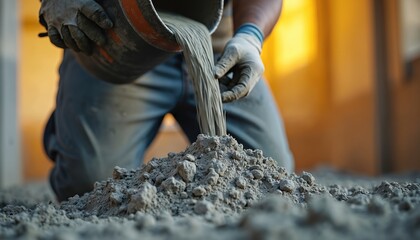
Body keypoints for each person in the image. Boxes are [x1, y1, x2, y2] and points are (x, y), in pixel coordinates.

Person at [39, 0, 294, 202]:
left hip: (217, 45)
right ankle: (67, 128)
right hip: (118, 39)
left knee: (270, 179)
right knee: (89, 185)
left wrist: (249, 37)